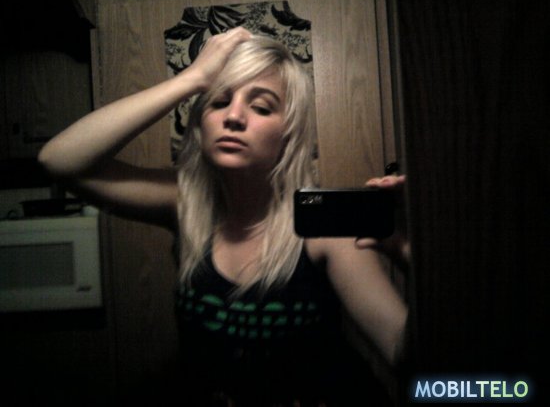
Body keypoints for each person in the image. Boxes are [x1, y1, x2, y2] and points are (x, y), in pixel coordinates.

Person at [39, 27, 409, 406]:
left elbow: (405, 354)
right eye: (218, 102)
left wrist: (419, 263)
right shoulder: (185, 203)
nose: (233, 116)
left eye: (261, 107)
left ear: (288, 134)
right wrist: (192, 80)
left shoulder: (323, 227)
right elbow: (60, 161)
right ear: (200, 125)